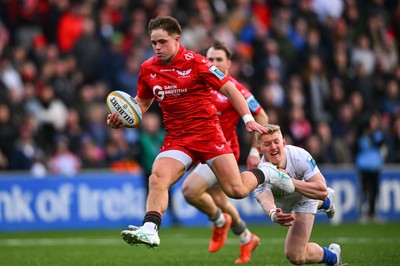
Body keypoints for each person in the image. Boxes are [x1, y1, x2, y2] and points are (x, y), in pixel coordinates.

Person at [107, 16, 270, 249]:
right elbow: (141, 105)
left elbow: (230, 88)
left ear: (176, 39)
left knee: (236, 190)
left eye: (162, 42)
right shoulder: (148, 68)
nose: (157, 47)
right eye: (154, 43)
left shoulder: (197, 62)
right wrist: (123, 120)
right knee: (158, 178)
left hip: (208, 135)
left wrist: (248, 120)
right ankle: (150, 228)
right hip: (177, 138)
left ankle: (267, 174)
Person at [181, 40, 269, 264]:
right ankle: (246, 237)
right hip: (203, 149)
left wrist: (255, 151)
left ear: (229, 63)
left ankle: (219, 222)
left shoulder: (236, 89)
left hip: (223, 151)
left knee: (191, 190)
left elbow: (262, 117)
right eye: (210, 59)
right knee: (219, 198)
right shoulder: (200, 83)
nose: (214, 63)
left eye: (219, 59)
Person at [253, 124, 343, 266]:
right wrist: (272, 214)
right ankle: (326, 203)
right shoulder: (261, 171)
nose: (273, 147)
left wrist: (288, 181)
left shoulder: (299, 156)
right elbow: (263, 198)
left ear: (283, 143)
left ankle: (333, 257)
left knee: (295, 256)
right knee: (295, 257)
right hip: (284, 204)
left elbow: (321, 190)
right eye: (267, 144)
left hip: (304, 198)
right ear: (259, 149)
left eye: (276, 142)